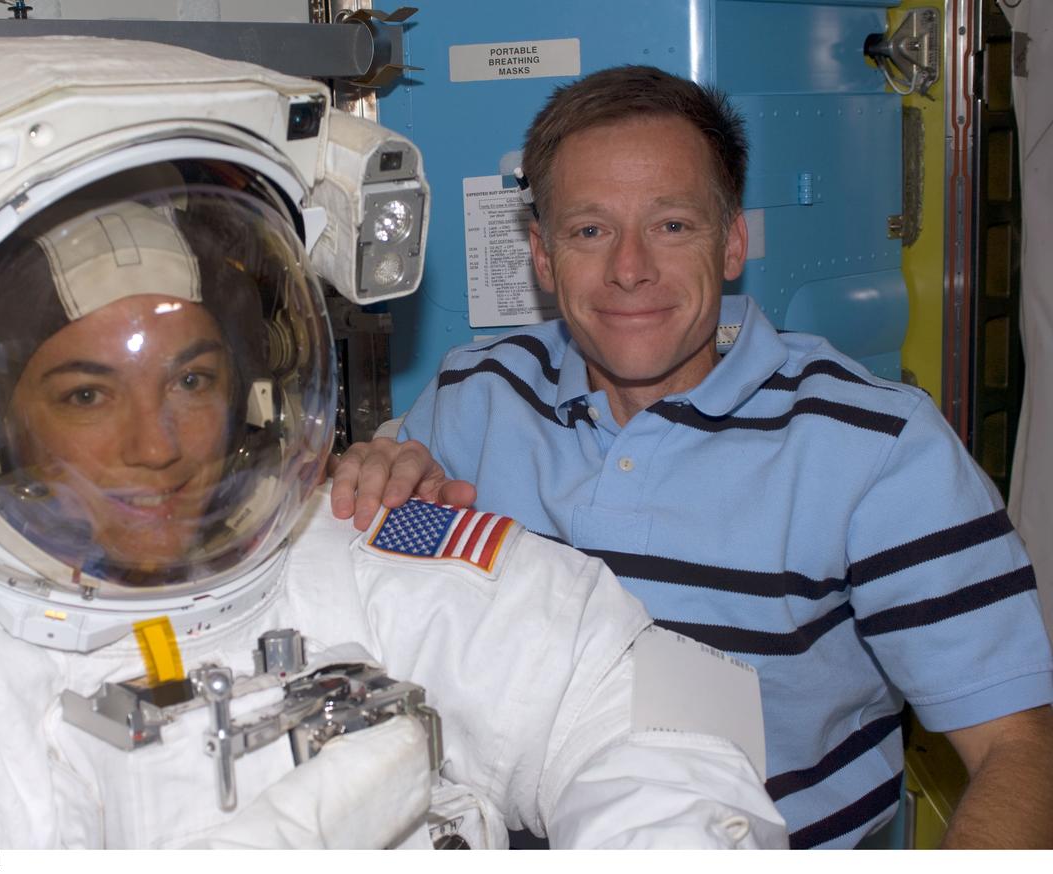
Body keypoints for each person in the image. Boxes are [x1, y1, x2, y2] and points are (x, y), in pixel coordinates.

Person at [0, 175, 786, 848]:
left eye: (194, 379)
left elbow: (657, 702)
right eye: (86, 394)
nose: (158, 443)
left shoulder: (336, 545)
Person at [330, 64, 1053, 848]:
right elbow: (367, 570)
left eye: (672, 225)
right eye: (589, 230)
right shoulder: (475, 398)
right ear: (542, 256)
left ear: (734, 240)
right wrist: (373, 481)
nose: (630, 268)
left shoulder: (876, 447)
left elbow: (1021, 750)